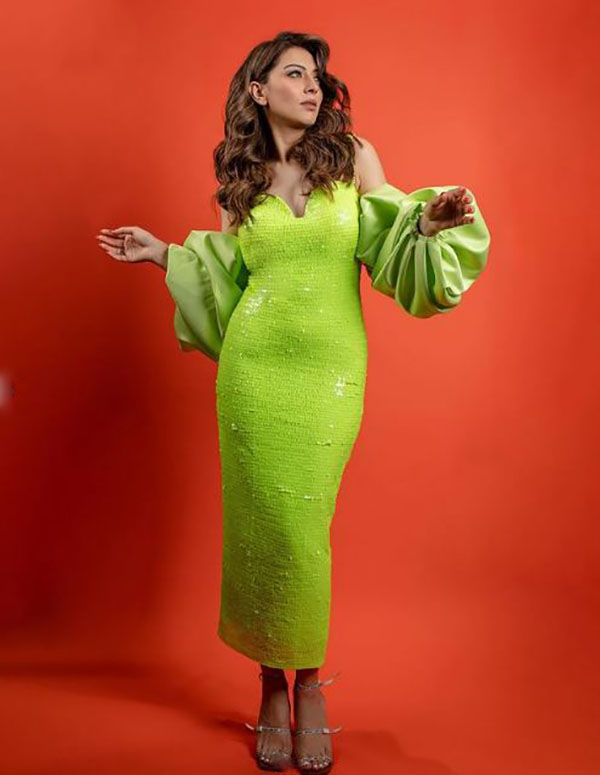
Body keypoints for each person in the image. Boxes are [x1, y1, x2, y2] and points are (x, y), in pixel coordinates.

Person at [97, 30, 490, 775]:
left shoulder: (354, 157)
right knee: (263, 527)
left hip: (331, 375)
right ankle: (273, 686)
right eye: (295, 74)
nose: (313, 87)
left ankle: (308, 680)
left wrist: (427, 222)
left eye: (317, 76)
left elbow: (388, 242)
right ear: (259, 90)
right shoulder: (239, 181)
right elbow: (225, 278)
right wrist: (162, 253)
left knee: (303, 526)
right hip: (253, 374)